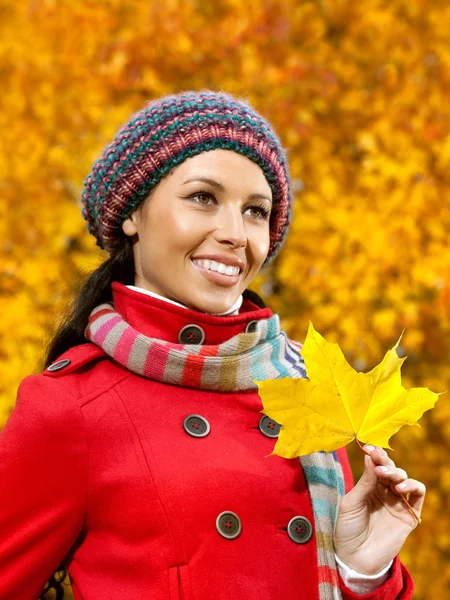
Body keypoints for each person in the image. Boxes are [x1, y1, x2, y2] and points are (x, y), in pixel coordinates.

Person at [0, 91, 423, 600]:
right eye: (203, 197)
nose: (234, 233)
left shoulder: (305, 386)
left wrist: (361, 569)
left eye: (255, 211)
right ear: (133, 213)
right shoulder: (71, 407)